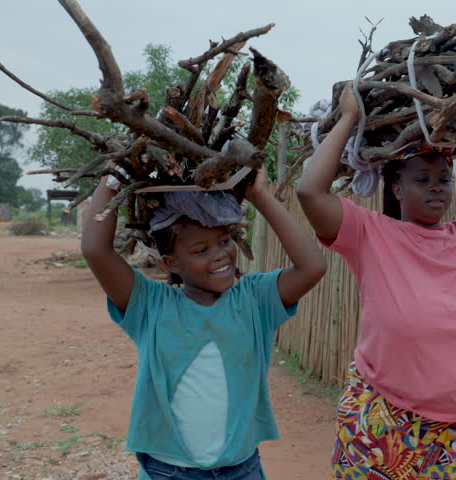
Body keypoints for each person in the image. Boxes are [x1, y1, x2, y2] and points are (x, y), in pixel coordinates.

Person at [297, 86, 456, 480]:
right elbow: (310, 192)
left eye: (443, 179)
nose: (437, 186)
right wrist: (349, 118)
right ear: (397, 188)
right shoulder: (371, 234)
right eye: (423, 179)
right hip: (383, 420)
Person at [81, 166, 327, 480]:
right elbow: (95, 251)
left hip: (241, 470)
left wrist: (260, 196)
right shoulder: (150, 305)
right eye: (200, 250)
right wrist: (111, 181)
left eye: (225, 241)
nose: (220, 255)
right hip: (168, 473)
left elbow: (313, 266)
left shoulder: (254, 300)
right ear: (170, 263)